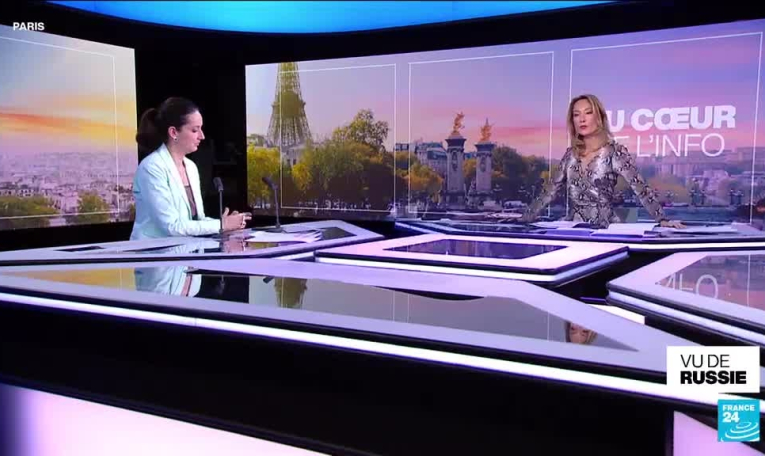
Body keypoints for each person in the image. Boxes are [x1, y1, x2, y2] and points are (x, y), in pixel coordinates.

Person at [521, 94, 684, 228]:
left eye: (588, 113)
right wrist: (525, 218)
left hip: (605, 229)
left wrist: (662, 220)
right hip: (573, 228)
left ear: (599, 117)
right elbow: (549, 192)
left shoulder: (614, 152)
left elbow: (641, 189)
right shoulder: (570, 155)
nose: (582, 119)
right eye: (576, 115)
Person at [131, 97, 250, 240]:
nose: (202, 136)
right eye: (195, 130)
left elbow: (196, 221)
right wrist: (221, 225)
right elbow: (171, 227)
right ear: (174, 132)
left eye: (201, 129)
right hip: (154, 251)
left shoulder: (191, 167)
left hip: (186, 250)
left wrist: (228, 223)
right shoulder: (151, 167)